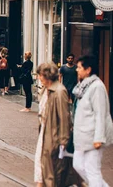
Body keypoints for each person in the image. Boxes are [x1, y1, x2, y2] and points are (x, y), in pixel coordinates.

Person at [72, 55, 113, 186]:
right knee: (78, 164)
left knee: (92, 170)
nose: (77, 70)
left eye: (79, 67)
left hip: (93, 136)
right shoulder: (83, 86)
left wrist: (98, 138)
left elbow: (101, 113)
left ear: (88, 69)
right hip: (83, 135)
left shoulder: (97, 87)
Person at [35, 62, 77, 187]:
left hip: (54, 137)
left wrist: (63, 142)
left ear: (47, 75)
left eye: (40, 75)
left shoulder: (59, 91)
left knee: (51, 175)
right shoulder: (45, 90)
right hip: (45, 133)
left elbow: (64, 118)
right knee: (41, 170)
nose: (39, 78)